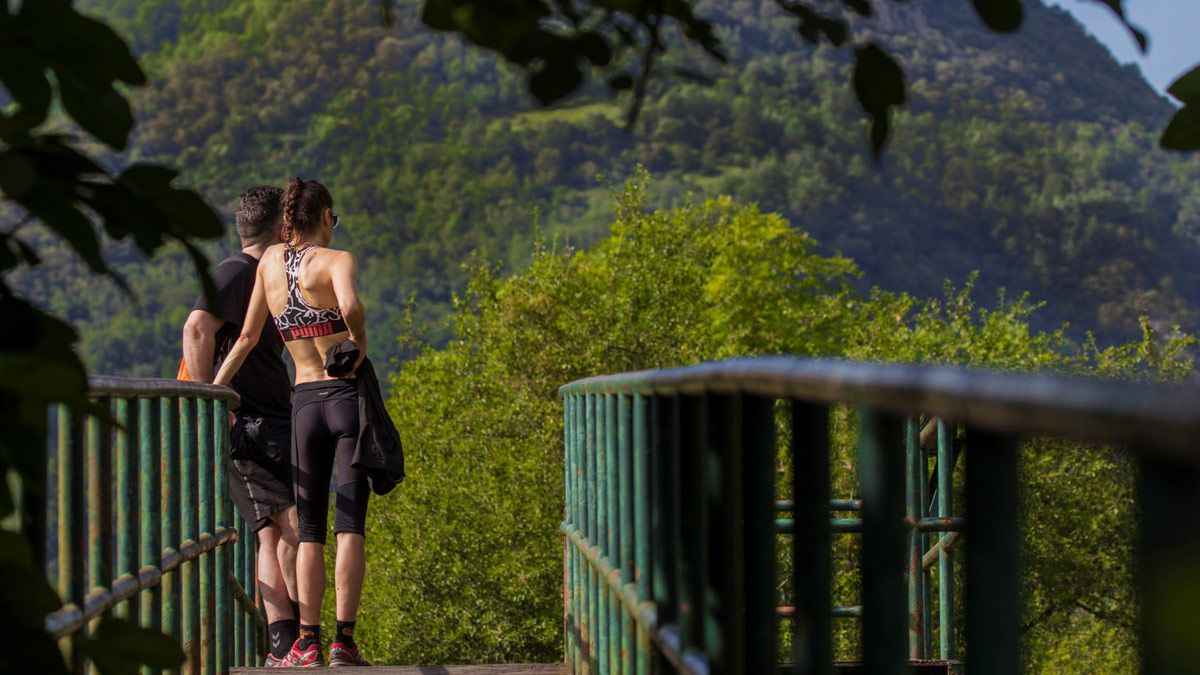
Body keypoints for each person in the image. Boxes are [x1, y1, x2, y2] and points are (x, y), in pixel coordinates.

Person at [214, 176, 371, 668]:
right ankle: (344, 642)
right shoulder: (337, 260)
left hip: (301, 402)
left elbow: (244, 338)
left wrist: (214, 390)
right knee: (349, 525)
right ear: (325, 216)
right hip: (344, 394)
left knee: (309, 529)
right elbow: (348, 307)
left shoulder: (268, 265)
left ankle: (306, 641)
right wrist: (357, 344)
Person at [181, 186, 301, 668]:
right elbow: (195, 328)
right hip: (251, 424)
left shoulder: (254, 273)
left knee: (276, 531)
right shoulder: (236, 272)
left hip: (267, 417)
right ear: (280, 230)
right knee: (289, 528)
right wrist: (218, 401)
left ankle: (290, 643)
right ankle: (290, 645)